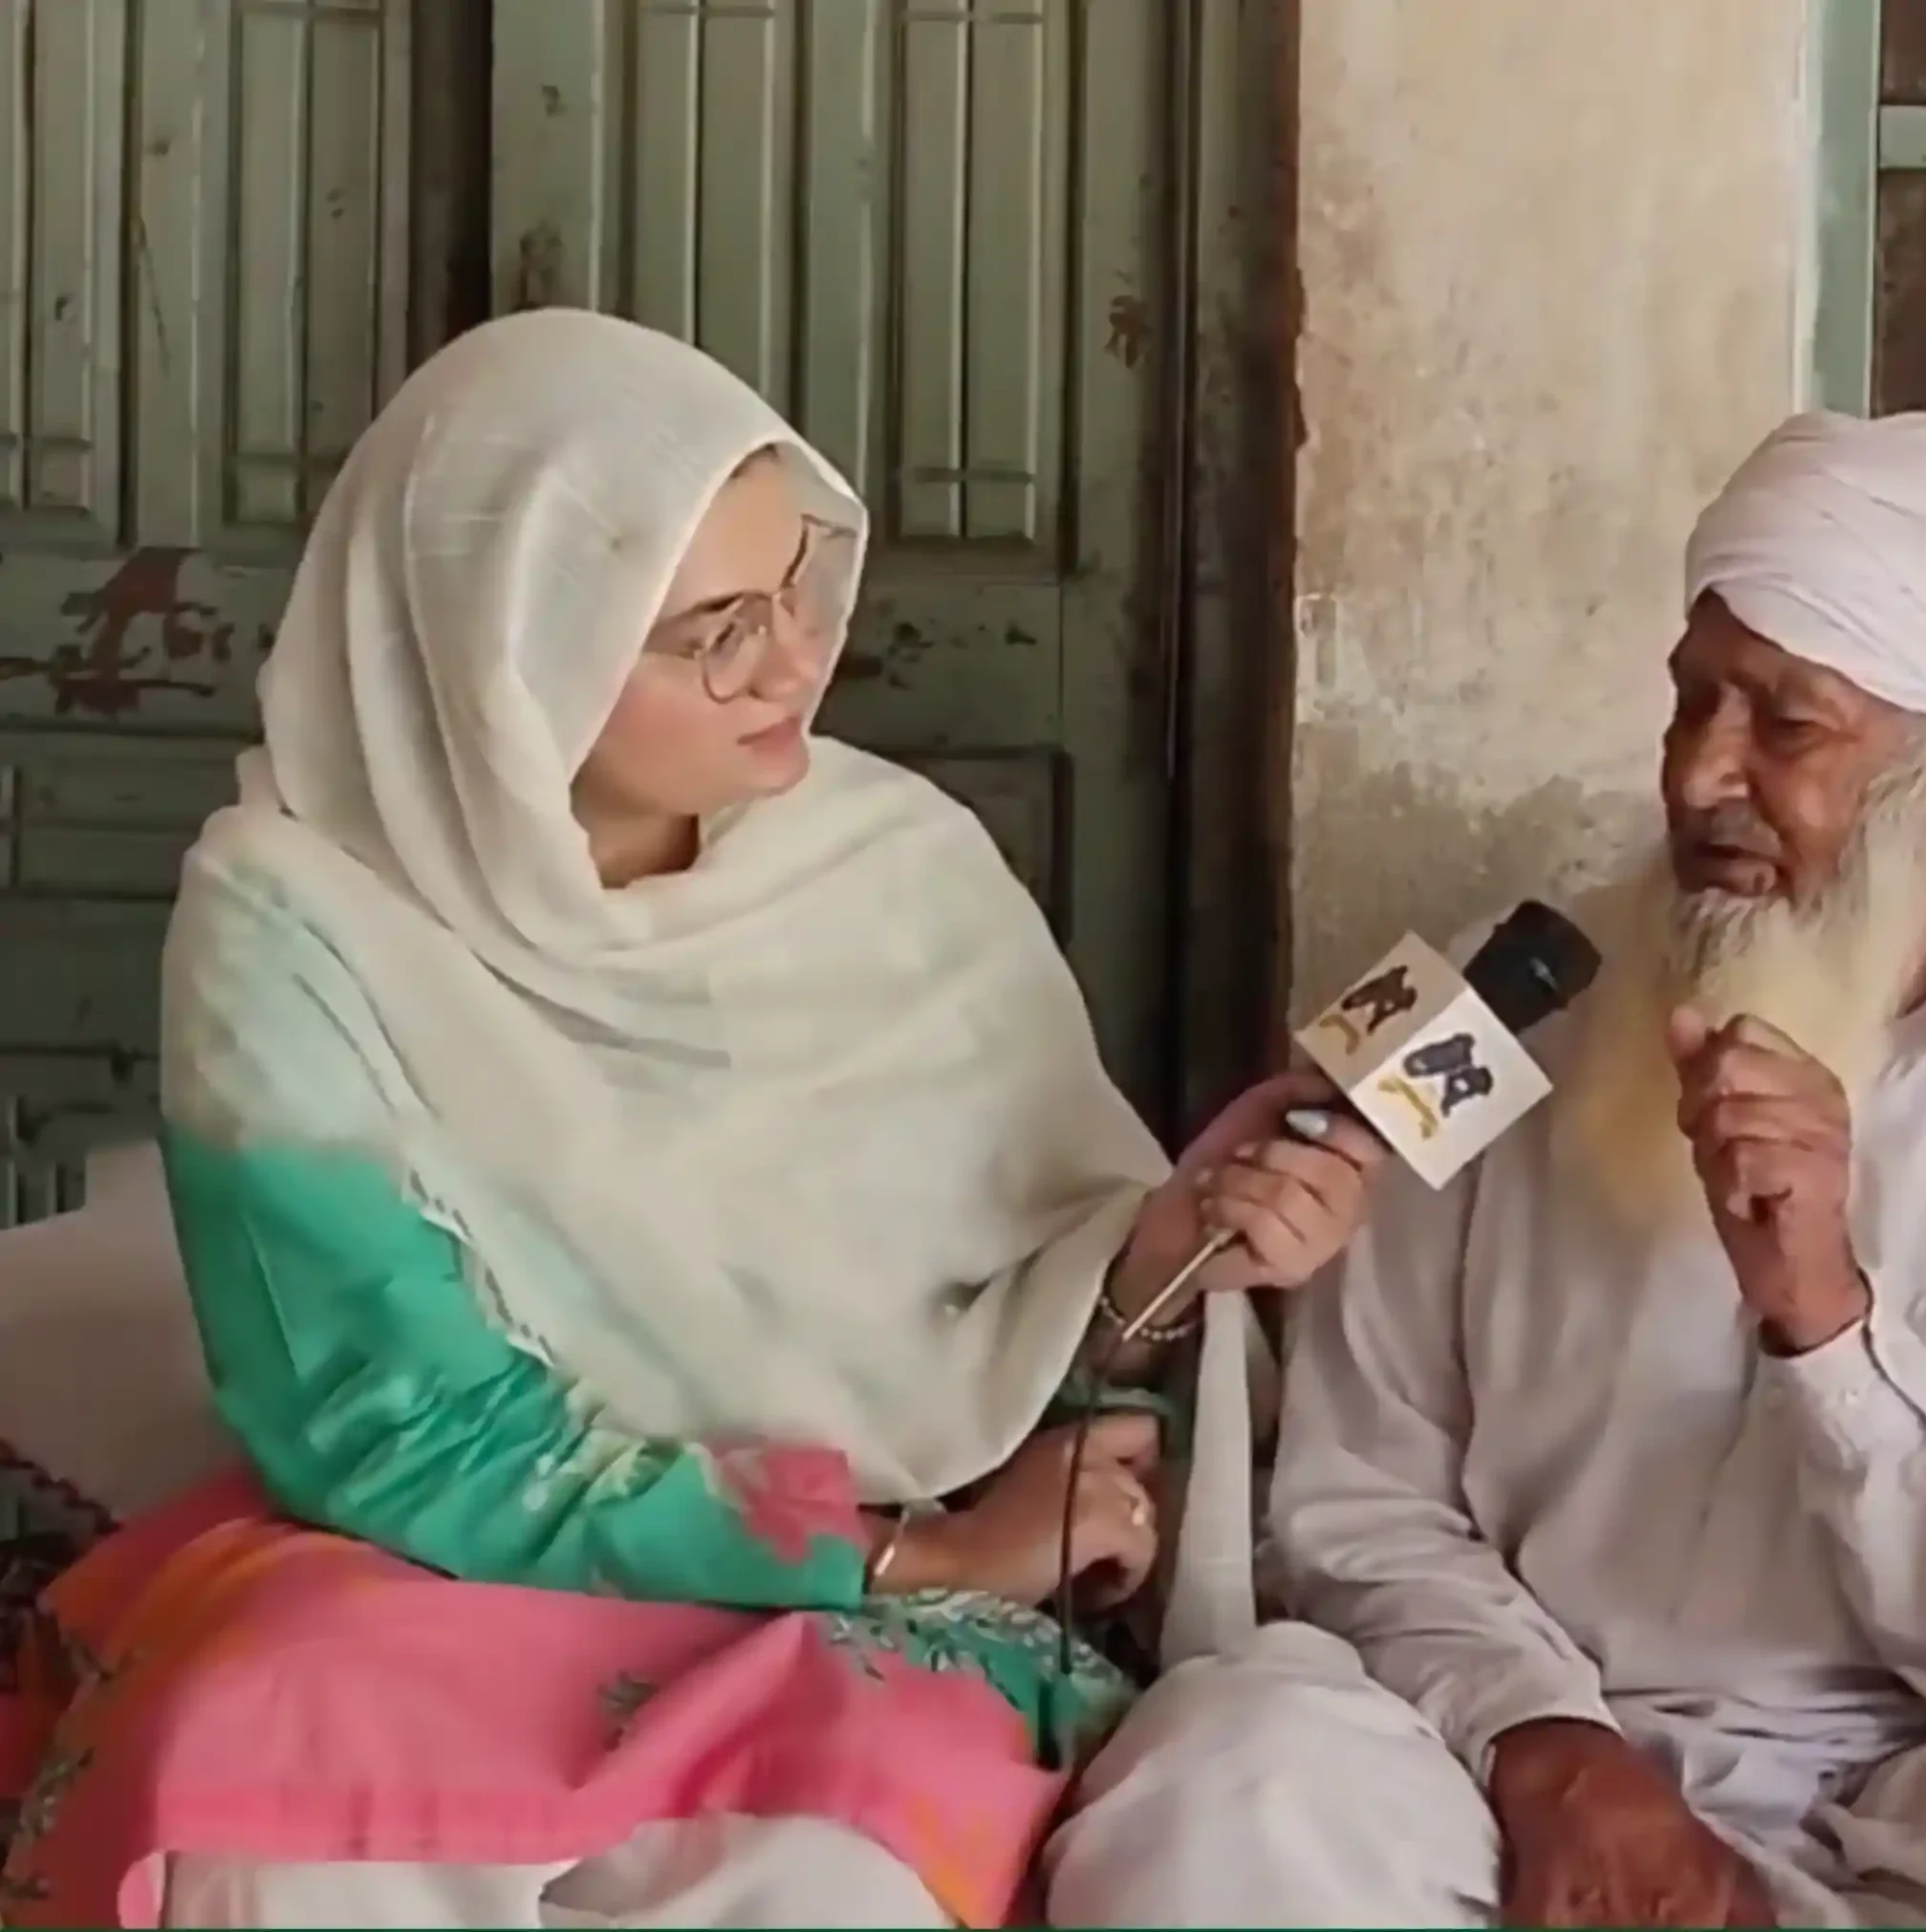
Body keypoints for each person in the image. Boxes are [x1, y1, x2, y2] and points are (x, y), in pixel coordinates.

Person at [0, 310, 1380, 1928]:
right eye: (716, 629)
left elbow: (1026, 1334)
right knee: (277, 1826)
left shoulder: (892, 870)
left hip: (887, 1581)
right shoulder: (295, 919)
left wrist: (1154, 1261)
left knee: (828, 1874)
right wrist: (895, 1560)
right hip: (456, 1559)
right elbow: (388, 1423)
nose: (799, 659)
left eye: (802, 583)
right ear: (506, 658)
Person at [1043, 410, 1926, 1929]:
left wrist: (1837, 1339)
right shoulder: (1488, 1010)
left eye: (1785, 726)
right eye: (1690, 707)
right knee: (1224, 1781)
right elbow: (1358, 1503)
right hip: (1494, 1760)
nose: (1700, 776)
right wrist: (1557, 1756)